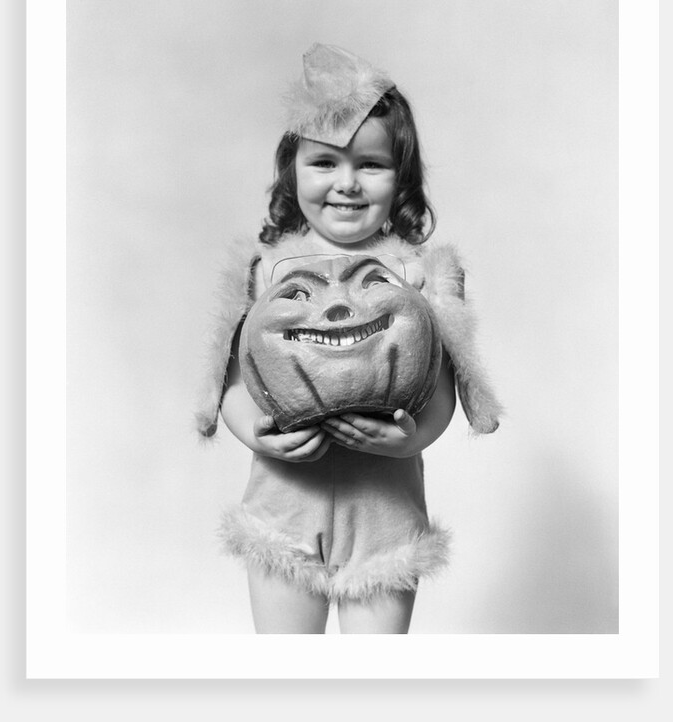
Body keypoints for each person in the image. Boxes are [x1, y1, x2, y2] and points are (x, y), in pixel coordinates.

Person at [196, 44, 501, 634]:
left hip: (384, 520)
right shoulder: (264, 274)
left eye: (370, 164)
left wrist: (406, 438)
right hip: (282, 511)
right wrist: (252, 429)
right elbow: (233, 386)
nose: (348, 183)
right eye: (325, 164)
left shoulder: (418, 276)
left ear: (401, 177)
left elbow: (442, 395)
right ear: (292, 170)